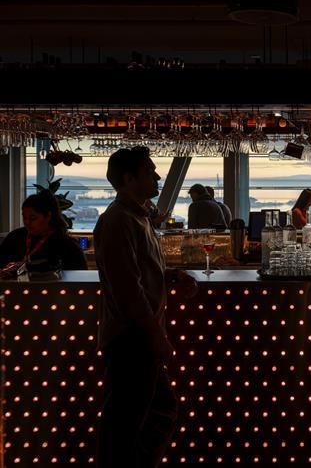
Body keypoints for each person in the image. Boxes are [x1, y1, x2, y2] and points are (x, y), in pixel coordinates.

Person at [94, 146, 198, 467]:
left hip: (138, 336)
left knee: (153, 414)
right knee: (125, 427)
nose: (156, 176)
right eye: (149, 171)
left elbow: (139, 271)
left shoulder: (136, 217)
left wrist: (172, 275)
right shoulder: (118, 221)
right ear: (128, 179)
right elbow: (128, 290)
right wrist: (156, 336)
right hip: (131, 339)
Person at [0, 190, 87, 270]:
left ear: (48, 216)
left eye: (33, 218)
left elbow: (79, 276)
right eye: (24, 217)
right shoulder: (15, 237)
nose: (27, 222)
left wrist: (27, 267)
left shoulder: (65, 244)